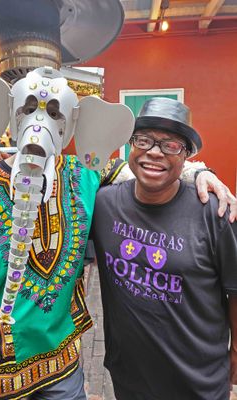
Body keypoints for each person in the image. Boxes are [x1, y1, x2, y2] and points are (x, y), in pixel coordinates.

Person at [0, 147, 235, 400]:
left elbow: (147, 169)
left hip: (61, 361)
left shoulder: (86, 171)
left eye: (55, 111)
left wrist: (198, 172)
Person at [91, 97, 237, 400]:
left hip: (198, 383)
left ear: (186, 156)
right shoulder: (103, 204)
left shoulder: (214, 213)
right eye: (143, 140)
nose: (154, 152)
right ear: (131, 145)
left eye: (170, 145)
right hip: (129, 377)